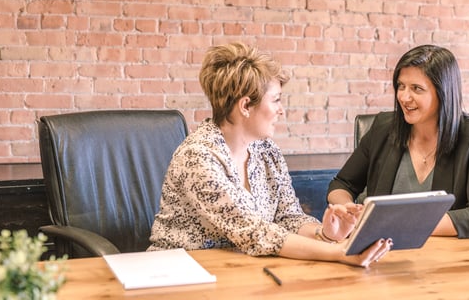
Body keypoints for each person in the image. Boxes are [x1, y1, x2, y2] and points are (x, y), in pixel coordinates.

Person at [148, 42, 391, 267]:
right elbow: (255, 232)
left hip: (241, 269)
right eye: (275, 100)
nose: (281, 110)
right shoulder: (198, 157)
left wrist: (326, 234)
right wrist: (340, 252)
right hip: (179, 272)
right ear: (245, 106)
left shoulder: (266, 150)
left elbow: (288, 217)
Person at [327, 44, 469, 238]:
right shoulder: (383, 128)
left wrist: (397, 224)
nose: (404, 97)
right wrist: (347, 210)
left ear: (443, 93)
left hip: (448, 255)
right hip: (381, 252)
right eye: (401, 86)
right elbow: (341, 184)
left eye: (417, 89)